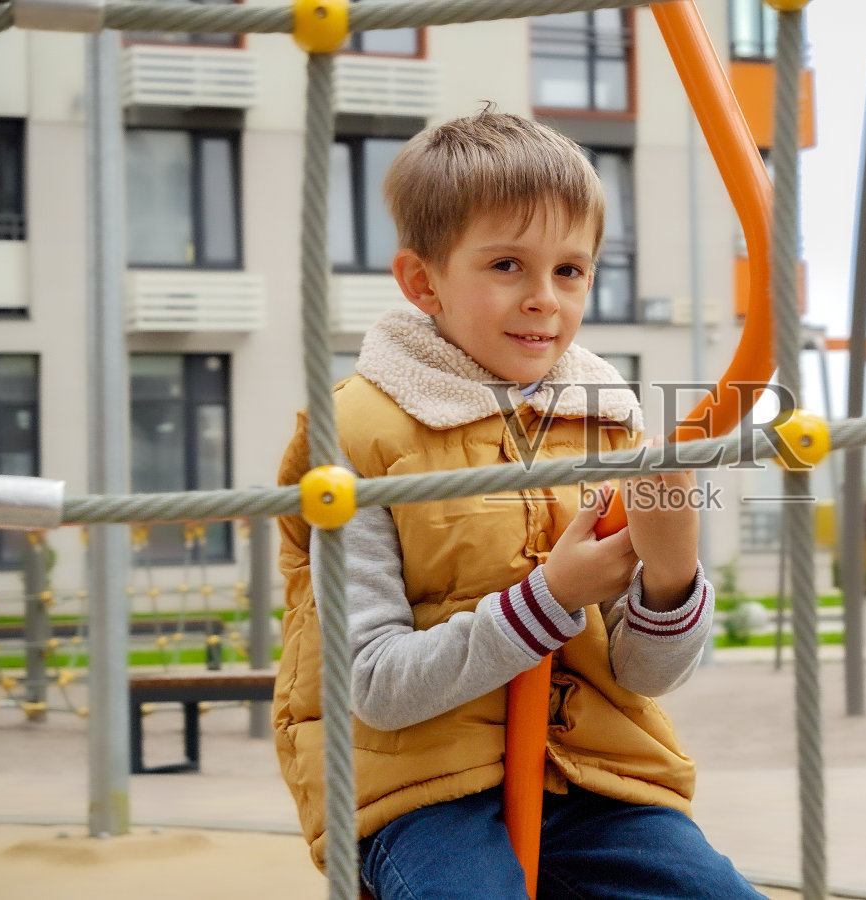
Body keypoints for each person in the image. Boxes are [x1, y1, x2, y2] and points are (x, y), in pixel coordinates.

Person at [273, 110, 764, 900]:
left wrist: (672, 574)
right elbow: (375, 683)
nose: (544, 299)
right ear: (423, 280)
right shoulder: (354, 436)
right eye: (508, 264)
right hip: (422, 790)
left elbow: (643, 674)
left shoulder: (611, 424)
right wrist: (554, 596)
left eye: (570, 271)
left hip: (593, 776)